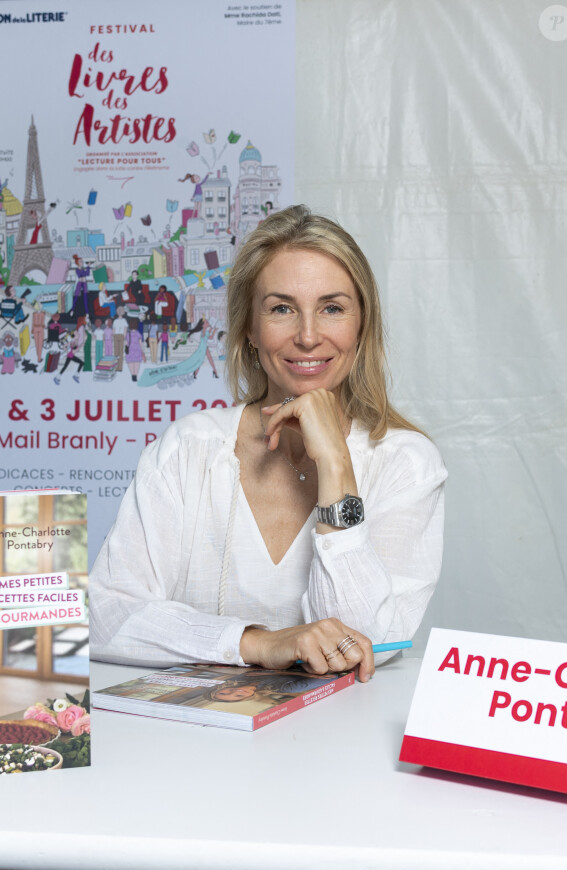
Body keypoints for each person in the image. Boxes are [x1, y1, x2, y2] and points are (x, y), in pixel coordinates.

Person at [90, 205, 447, 683]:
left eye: (332, 308)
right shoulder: (188, 448)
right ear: (250, 332)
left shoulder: (406, 462)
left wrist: (336, 466)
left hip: (343, 744)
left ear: (361, 329)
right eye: (282, 308)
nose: (307, 335)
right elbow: (104, 616)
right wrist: (257, 642)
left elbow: (364, 647)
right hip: (186, 747)